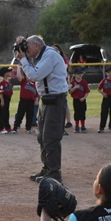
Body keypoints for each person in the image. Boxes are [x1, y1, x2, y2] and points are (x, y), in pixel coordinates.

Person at [16, 35, 69, 184]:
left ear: (37, 46)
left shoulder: (50, 54)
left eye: (28, 46)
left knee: (51, 138)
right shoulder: (40, 55)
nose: (26, 50)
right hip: (46, 100)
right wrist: (20, 46)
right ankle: (47, 169)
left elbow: (34, 75)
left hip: (55, 100)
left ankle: (54, 173)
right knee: (42, 137)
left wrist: (23, 59)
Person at [68, 67, 90, 133]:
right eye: (78, 74)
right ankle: (77, 126)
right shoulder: (73, 83)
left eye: (81, 73)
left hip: (83, 100)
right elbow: (70, 92)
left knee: (83, 113)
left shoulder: (84, 82)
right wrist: (74, 88)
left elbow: (87, 92)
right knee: (77, 113)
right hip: (76, 100)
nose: (79, 75)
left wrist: (84, 98)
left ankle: (83, 126)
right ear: (74, 75)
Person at [0, 67, 14, 134]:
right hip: (4, 98)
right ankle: (1, 128)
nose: (10, 73)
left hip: (8, 99)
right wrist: (2, 100)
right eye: (8, 72)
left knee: (6, 113)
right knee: (2, 113)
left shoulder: (8, 81)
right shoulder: (2, 82)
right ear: (5, 74)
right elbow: (1, 92)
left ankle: (7, 127)